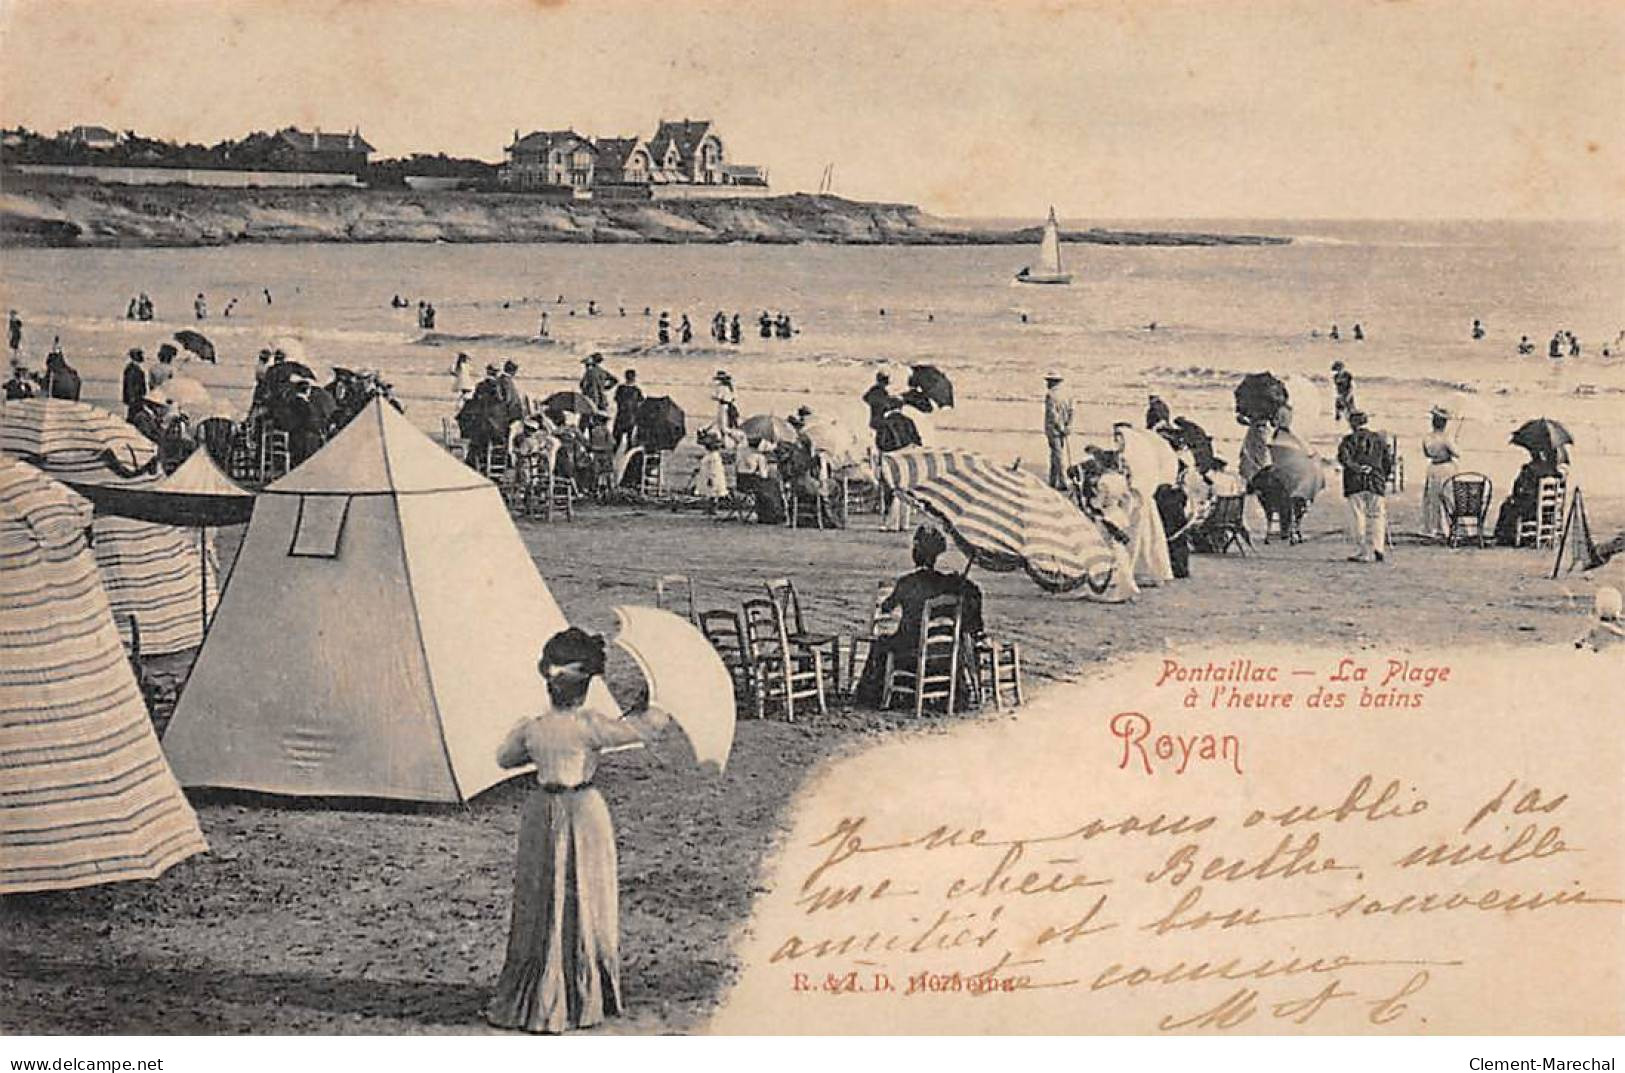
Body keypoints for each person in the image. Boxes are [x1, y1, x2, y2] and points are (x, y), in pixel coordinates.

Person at [485, 627, 671, 1035]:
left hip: (542, 812)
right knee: (587, 895)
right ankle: (584, 992)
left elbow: (504, 759)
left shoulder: (532, 728)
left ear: (549, 684)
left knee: (542, 898)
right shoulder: (592, 725)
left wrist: (535, 743)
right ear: (585, 688)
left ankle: (537, 992)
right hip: (585, 812)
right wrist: (651, 707)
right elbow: (642, 730)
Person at [853, 526, 984, 708]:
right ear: (937, 555)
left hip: (911, 653)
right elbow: (974, 593)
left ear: (915, 554)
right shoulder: (947, 583)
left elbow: (886, 607)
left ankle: (872, 697)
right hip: (943, 654)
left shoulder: (906, 583)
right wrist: (961, 581)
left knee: (880, 644)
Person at [1337, 410, 1394, 563]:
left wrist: (1357, 468)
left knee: (1358, 516)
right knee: (1377, 515)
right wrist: (1383, 476)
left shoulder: (1348, 440)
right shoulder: (1379, 440)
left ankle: (1362, 550)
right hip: (1376, 481)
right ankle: (1378, 548)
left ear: (1352, 424)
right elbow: (1388, 462)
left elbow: (1344, 459)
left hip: (1355, 482)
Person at [1493, 446, 1563, 546]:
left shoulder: (1530, 469)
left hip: (1532, 508)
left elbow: (1520, 489)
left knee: (1507, 506)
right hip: (1549, 510)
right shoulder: (1555, 473)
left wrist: (1514, 497)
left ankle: (1505, 537)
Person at [1420, 406, 1460, 540]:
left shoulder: (1427, 437)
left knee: (1432, 498)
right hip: (1446, 468)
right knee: (1447, 497)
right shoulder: (1446, 438)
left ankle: (1432, 527)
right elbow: (1457, 453)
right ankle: (1446, 528)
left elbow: (1426, 454)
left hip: (1433, 467)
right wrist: (1454, 442)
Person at [1043, 372, 1073, 491]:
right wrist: (1068, 426)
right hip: (1063, 428)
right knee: (1056, 454)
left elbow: (1052, 414)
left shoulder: (1050, 395)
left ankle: (1062, 481)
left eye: (1049, 381)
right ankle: (1052, 479)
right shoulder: (1067, 394)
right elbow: (1072, 411)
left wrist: (1060, 427)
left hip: (1054, 430)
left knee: (1057, 455)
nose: (1047, 383)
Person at [612, 369, 644, 448]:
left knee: (616, 439)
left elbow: (616, 399)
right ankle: (628, 457)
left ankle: (613, 456)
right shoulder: (636, 390)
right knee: (629, 440)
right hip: (631, 417)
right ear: (634, 378)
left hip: (621, 416)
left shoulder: (620, 388)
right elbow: (641, 402)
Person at [862, 371, 900, 437]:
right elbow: (886, 402)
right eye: (885, 382)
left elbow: (865, 398)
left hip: (877, 419)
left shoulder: (875, 391)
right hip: (879, 420)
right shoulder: (879, 392)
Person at [121, 348, 148, 422]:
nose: (143, 357)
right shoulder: (133, 369)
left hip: (135, 398)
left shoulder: (132, 368)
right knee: (134, 416)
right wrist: (132, 398)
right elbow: (130, 385)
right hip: (135, 398)